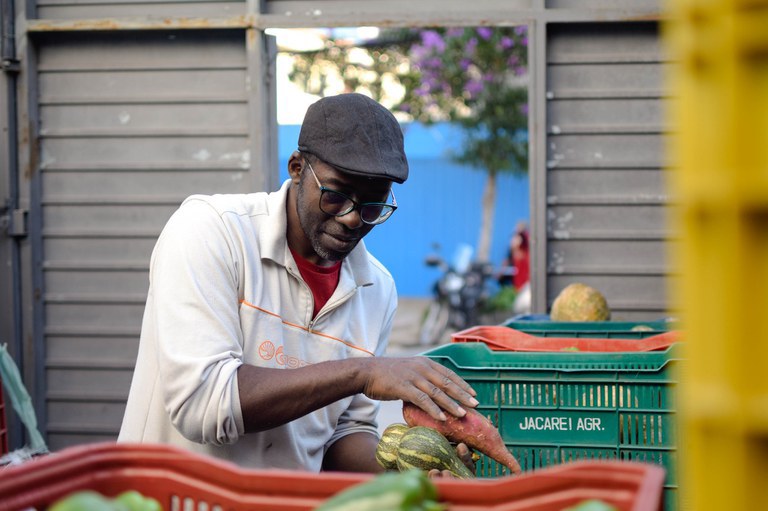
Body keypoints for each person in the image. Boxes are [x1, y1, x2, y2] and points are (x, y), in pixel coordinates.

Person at [118, 93, 478, 475]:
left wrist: (404, 469)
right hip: (170, 497)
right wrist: (362, 372)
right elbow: (204, 406)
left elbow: (344, 434)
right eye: (336, 196)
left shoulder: (377, 289)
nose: (353, 219)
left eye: (372, 207)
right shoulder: (211, 232)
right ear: (296, 167)